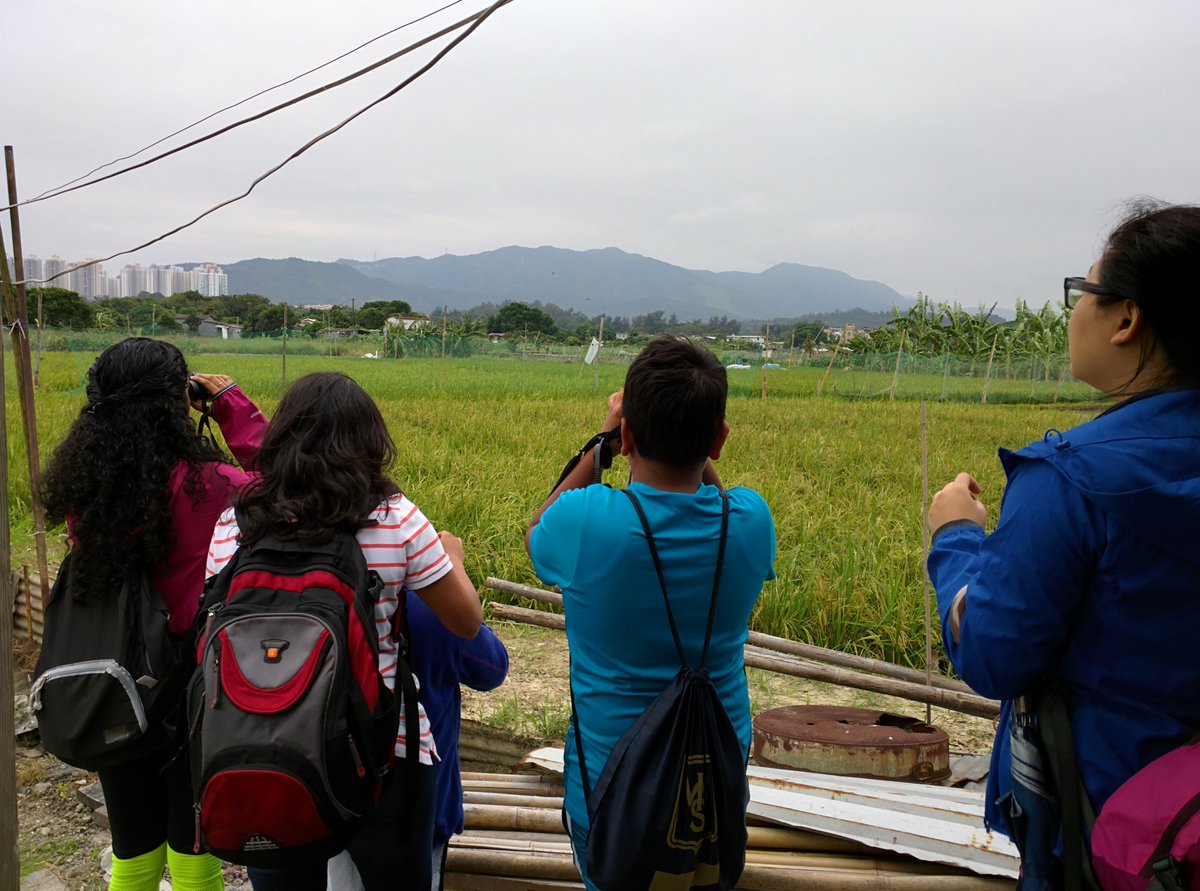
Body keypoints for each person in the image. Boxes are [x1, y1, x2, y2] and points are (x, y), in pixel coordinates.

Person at [926, 201, 1200, 884]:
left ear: (1128, 318)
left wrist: (955, 535)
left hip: (1113, 831)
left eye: (1083, 292)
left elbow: (993, 651)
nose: (1073, 312)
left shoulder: (1071, 480)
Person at [205, 370, 483, 891]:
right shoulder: (394, 518)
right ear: (370, 442)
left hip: (264, 747)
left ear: (283, 435)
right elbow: (465, 621)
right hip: (384, 752)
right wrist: (454, 559)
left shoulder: (234, 524)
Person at [525, 335, 776, 890]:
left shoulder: (589, 521)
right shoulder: (751, 522)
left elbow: (536, 532)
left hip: (612, 791)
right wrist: (697, 451)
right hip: (715, 785)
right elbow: (720, 495)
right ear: (720, 440)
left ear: (630, 434)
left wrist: (605, 443)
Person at [41, 337, 266, 891]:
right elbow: (282, 487)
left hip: (114, 676)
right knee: (192, 839)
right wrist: (232, 407)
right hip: (191, 684)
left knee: (132, 843)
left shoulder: (85, 487)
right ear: (176, 402)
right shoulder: (210, 486)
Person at [328, 597, 509, 890]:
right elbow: (492, 667)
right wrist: (453, 575)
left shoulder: (323, 595)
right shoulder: (433, 604)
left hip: (333, 798)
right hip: (419, 807)